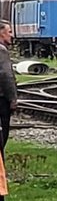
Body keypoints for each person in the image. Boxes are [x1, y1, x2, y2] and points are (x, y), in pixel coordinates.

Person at [0, 21, 17, 152]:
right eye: (9, 31)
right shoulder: (1, 50)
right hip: (1, 100)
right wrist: (12, 98)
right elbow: (6, 75)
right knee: (2, 134)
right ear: (1, 33)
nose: (12, 35)